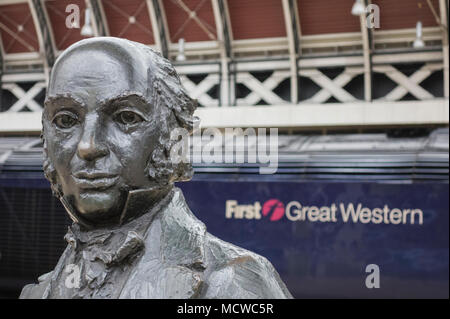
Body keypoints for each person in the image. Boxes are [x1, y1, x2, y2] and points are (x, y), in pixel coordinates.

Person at [20, 37, 292, 299]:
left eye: (126, 117)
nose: (88, 146)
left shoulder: (235, 282)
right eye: (65, 120)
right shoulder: (36, 293)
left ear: (173, 137)